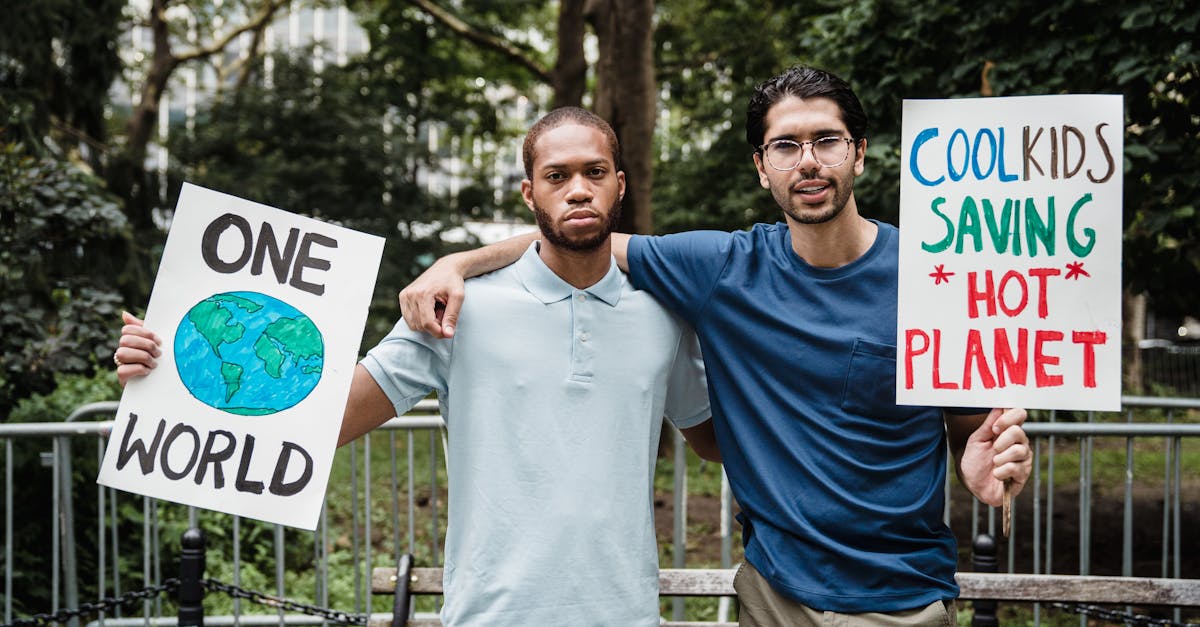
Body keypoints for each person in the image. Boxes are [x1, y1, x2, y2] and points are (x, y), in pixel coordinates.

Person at [396, 65, 1034, 626]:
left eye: (826, 141)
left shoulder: (936, 275)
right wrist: (456, 262)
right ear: (763, 167)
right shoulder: (722, 268)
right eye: (786, 146)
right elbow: (579, 236)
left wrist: (983, 463)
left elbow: (971, 430)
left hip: (903, 603)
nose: (807, 160)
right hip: (773, 598)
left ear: (858, 153)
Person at [114, 106, 716, 627]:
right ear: (530, 194)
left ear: (620, 184)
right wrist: (170, 373)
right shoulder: (454, 307)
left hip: (625, 612)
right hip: (489, 614)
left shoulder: (665, 313)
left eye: (594, 172)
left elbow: (716, 439)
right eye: (556, 176)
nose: (578, 189)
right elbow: (325, 418)